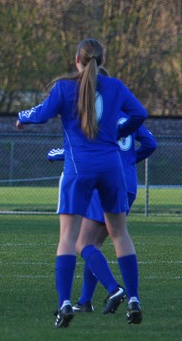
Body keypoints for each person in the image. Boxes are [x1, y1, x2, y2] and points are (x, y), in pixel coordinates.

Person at [15, 38, 147, 328]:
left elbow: (43, 113)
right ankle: (134, 298)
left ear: (77, 60)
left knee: (69, 238)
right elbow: (140, 114)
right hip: (112, 168)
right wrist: (119, 129)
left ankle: (65, 304)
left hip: (79, 169)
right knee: (120, 235)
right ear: (102, 61)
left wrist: (22, 117)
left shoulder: (64, 87)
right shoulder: (115, 87)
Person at [48, 116, 157, 314]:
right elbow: (151, 143)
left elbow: (86, 147)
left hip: (106, 180)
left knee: (82, 243)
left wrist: (61, 154)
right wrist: (130, 160)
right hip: (129, 185)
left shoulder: (99, 112)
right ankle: (85, 301)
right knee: (95, 243)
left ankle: (114, 289)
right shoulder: (129, 115)